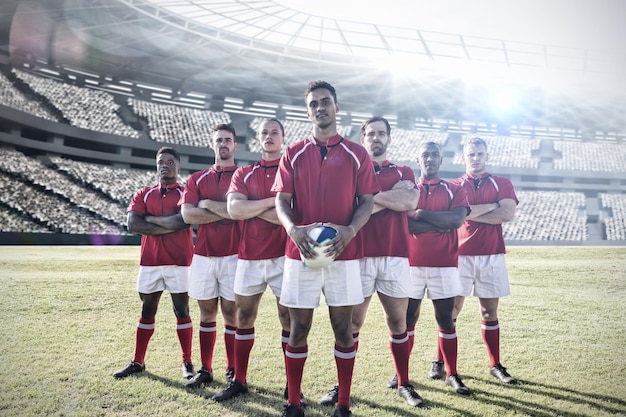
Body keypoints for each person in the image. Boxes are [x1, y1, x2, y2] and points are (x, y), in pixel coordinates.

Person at [273, 80, 380, 417]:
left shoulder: (356, 153)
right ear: (308, 111)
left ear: (337, 106)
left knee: (343, 328)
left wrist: (350, 231)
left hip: (343, 253)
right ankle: (293, 402)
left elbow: (367, 201)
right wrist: (292, 229)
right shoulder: (293, 152)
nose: (320, 107)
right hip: (301, 254)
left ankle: (344, 403)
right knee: (298, 328)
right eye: (313, 103)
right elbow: (281, 199)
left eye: (325, 102)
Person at [319, 116, 423, 408]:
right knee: (352, 323)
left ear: (389, 138)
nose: (376, 138)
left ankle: (403, 382)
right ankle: (342, 387)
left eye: (381, 134)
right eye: (371, 134)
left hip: (395, 256)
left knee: (398, 321)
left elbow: (410, 202)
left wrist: (367, 202)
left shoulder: (403, 170)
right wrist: (388, 198)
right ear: (362, 138)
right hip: (358, 256)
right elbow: (348, 207)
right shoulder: (352, 170)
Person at [211, 118, 306, 405]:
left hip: (284, 256)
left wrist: (255, 207)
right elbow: (235, 210)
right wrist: (273, 202)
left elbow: (292, 217)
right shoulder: (244, 172)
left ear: (283, 138)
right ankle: (239, 379)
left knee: (287, 319)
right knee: (244, 317)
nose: (269, 137)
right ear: (258, 139)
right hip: (249, 257)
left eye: (274, 132)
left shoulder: (293, 172)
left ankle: (292, 387)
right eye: (264, 133)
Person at [439, 136, 519, 384]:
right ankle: (440, 361)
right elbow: (455, 216)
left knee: (489, 311)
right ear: (463, 157)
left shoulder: (502, 183)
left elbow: (506, 214)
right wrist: (490, 206)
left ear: (487, 156)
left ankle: (495, 364)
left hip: (491, 254)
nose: (475, 158)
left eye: (480, 154)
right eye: (471, 154)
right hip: (458, 255)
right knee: (450, 311)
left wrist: (470, 213)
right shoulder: (453, 185)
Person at [113, 146, 195, 380]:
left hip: (180, 262)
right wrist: (166, 223)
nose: (165, 165)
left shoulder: (185, 192)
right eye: (161, 161)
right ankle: (138, 362)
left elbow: (183, 221)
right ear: (156, 164)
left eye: (170, 161)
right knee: (147, 309)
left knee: (182, 311)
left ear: (178, 166)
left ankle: (187, 362)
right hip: (150, 262)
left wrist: (150, 220)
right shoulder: (144, 193)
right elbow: (133, 225)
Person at [405, 141, 471, 396]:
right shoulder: (409, 190)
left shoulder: (455, 188)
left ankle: (452, 374)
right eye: (425, 155)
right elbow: (404, 226)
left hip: (444, 264)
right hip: (411, 264)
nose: (430, 158)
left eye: (435, 155)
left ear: (441, 160)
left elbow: (455, 220)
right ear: (418, 159)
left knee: (445, 319)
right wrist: (438, 222)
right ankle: (403, 374)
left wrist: (420, 213)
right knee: (407, 319)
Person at [180, 124, 241, 388]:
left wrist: (208, 206)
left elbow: (242, 212)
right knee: (207, 313)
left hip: (235, 255)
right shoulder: (196, 179)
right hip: (203, 255)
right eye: (219, 140)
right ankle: (206, 368)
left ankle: (232, 368)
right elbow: (187, 215)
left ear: (235, 145)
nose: (223, 144)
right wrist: (227, 211)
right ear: (212, 144)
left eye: (228, 140)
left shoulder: (243, 176)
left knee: (231, 313)